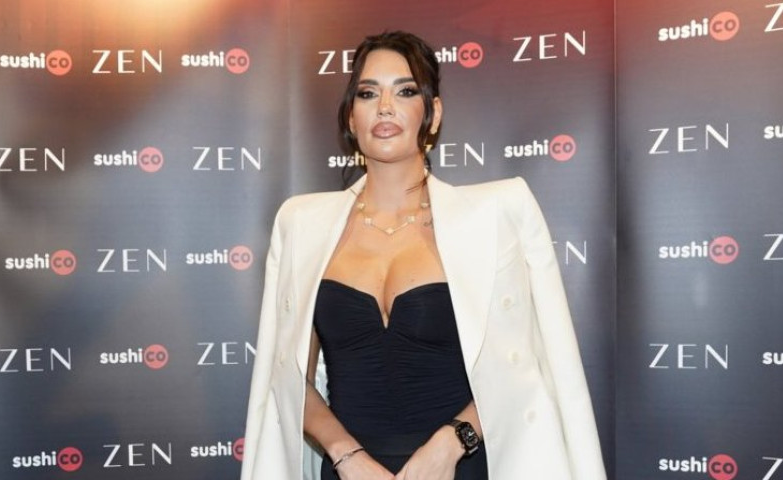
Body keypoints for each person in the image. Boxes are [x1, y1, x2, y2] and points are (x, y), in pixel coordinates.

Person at [241, 31, 605, 480]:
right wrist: (347, 456)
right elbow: (288, 373)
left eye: (405, 91)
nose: (385, 107)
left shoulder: (494, 216)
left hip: (458, 468)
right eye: (368, 93)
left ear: (432, 115)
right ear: (351, 118)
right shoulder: (301, 224)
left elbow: (526, 362)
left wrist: (453, 442)